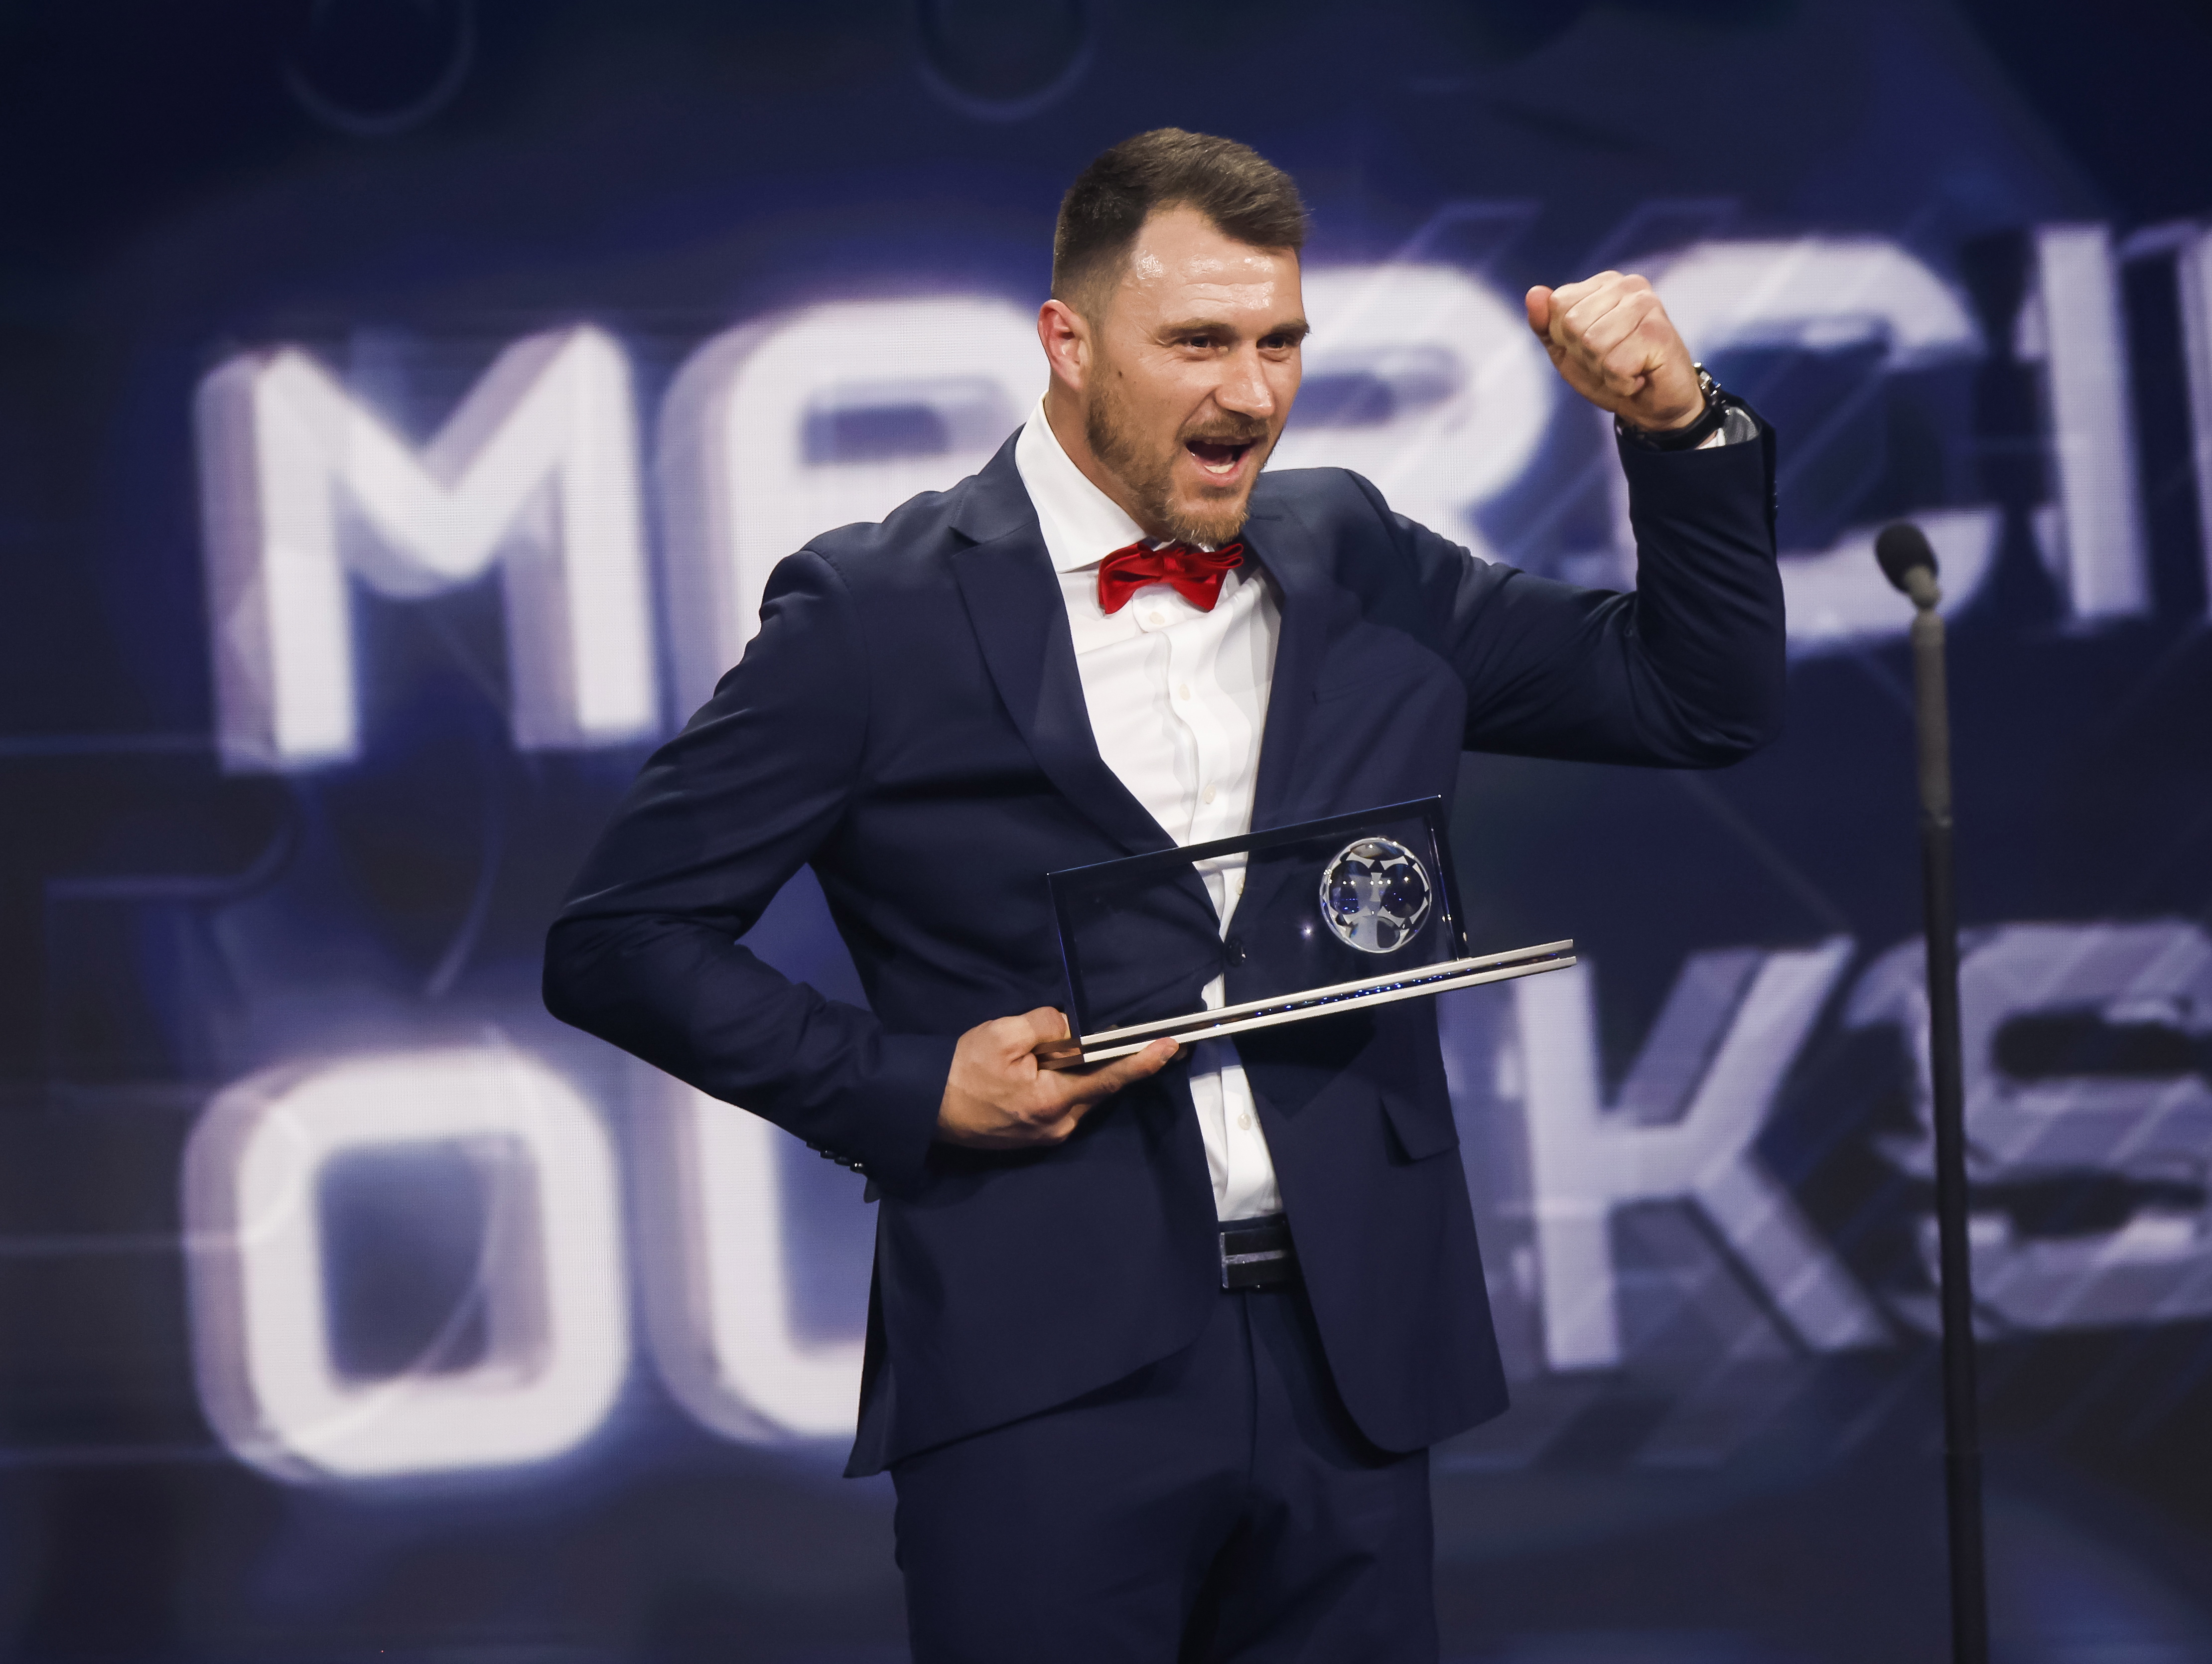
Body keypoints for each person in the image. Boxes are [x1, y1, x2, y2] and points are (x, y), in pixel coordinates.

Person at [544, 128, 1782, 1663]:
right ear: (1066, 343)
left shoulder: (1357, 557)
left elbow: (1692, 701)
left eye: (1279, 344)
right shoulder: (875, 612)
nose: (1250, 393)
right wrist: (908, 1082)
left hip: (1350, 1358)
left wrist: (1677, 428)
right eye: (1197, 342)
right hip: (1043, 1381)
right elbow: (619, 940)